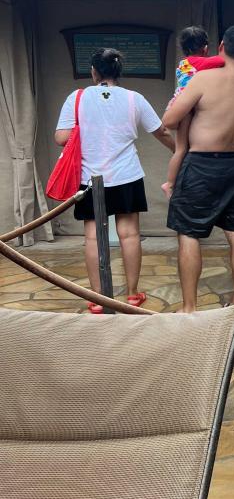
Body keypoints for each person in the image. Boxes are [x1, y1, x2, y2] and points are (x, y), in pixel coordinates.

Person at [54, 47, 175, 313]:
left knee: (92, 238)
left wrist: (88, 127)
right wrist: (179, 152)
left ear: (93, 71)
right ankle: (132, 294)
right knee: (129, 234)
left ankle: (98, 299)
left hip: (90, 178)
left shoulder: (77, 97)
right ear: (119, 71)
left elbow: (61, 138)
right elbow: (161, 131)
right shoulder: (134, 99)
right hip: (126, 175)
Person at [162, 25, 234, 313]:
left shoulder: (204, 78)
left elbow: (170, 120)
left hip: (201, 164)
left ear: (221, 46)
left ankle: (189, 307)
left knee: (188, 233)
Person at [162, 26, 224, 199]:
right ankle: (170, 183)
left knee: (183, 148)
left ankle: (173, 182)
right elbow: (222, 61)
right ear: (205, 48)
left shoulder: (184, 62)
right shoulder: (199, 62)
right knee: (182, 149)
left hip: (179, 104)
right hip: (186, 108)